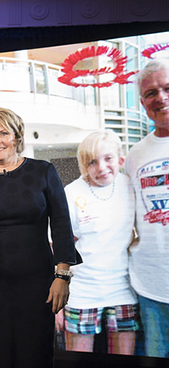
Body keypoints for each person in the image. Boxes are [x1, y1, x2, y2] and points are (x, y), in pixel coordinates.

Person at [0, 106, 79, 368]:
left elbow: (62, 223)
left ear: (16, 137)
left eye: (3, 133)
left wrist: (62, 276)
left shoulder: (43, 171)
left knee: (35, 355)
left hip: (37, 284)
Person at [63, 130, 138, 354]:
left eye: (108, 159)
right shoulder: (71, 192)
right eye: (92, 162)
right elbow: (58, 249)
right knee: (79, 360)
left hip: (124, 289)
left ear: (120, 160)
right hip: (82, 292)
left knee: (125, 360)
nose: (102, 167)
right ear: (84, 165)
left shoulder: (129, 186)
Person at [125, 58, 169, 358]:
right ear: (143, 103)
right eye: (151, 93)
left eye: (167, 88)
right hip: (152, 289)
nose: (160, 98)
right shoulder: (134, 156)